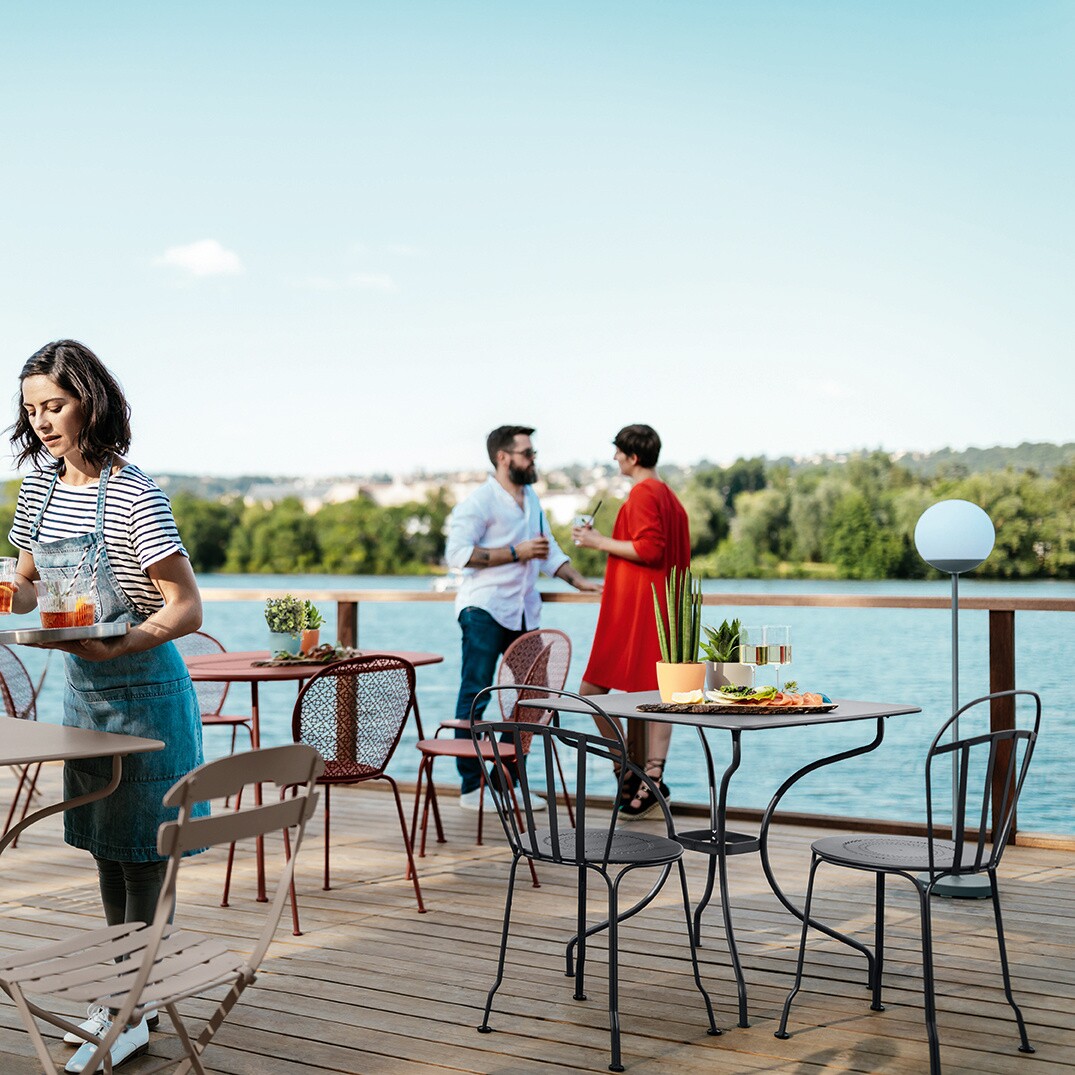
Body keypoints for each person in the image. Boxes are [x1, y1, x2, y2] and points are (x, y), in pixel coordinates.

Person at [4, 340, 207, 1073]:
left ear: (90, 400)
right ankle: (126, 997)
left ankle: (131, 1006)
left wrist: (121, 646)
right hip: (84, 693)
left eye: (53, 404)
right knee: (106, 849)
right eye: (31, 409)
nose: (43, 421)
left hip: (147, 686)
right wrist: (8, 592)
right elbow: (28, 588)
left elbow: (185, 605)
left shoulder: (133, 492)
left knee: (145, 856)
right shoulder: (38, 489)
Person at [444, 424, 601, 809]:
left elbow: (547, 552)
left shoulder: (531, 498)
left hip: (524, 614)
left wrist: (580, 582)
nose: (534, 460)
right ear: (503, 457)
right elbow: (458, 555)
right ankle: (471, 788)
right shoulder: (479, 502)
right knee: (475, 694)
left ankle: (506, 783)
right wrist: (516, 552)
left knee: (534, 699)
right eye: (527, 453)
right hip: (484, 610)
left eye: (533, 453)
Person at [572, 424, 690, 821]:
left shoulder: (643, 494)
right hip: (663, 608)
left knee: (592, 690)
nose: (614, 458)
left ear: (633, 456)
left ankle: (628, 768)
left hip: (637, 610)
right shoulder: (669, 496)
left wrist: (596, 541)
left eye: (618, 452)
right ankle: (649, 777)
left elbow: (650, 549)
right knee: (661, 693)